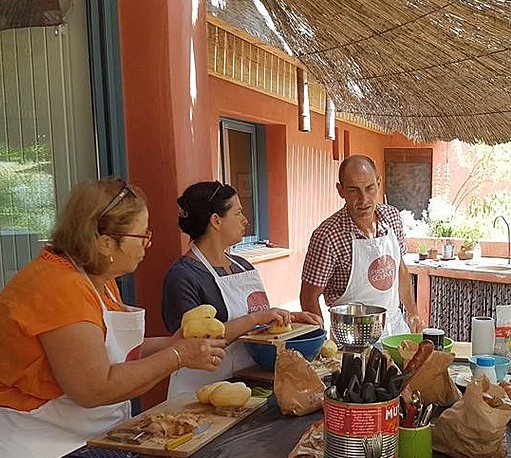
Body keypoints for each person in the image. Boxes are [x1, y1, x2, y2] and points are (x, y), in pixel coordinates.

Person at [0, 178, 226, 458]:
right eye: (141, 235)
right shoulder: (59, 288)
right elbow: (93, 387)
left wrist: (171, 344)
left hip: (79, 444)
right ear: (104, 242)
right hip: (32, 454)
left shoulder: (97, 278)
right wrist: (177, 355)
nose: (148, 244)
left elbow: (107, 351)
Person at [162, 181, 320, 396]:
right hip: (200, 393)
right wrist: (256, 319)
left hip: (251, 382)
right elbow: (191, 343)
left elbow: (257, 320)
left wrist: (287, 319)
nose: (245, 220)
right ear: (216, 221)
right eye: (238, 213)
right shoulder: (183, 276)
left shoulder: (242, 266)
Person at [300, 154, 422, 336]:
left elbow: (400, 269)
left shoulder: (392, 218)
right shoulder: (327, 236)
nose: (364, 199)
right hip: (350, 339)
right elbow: (308, 297)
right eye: (353, 190)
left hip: (395, 330)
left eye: (369, 188)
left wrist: (413, 312)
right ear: (340, 190)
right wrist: (320, 339)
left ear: (378, 182)